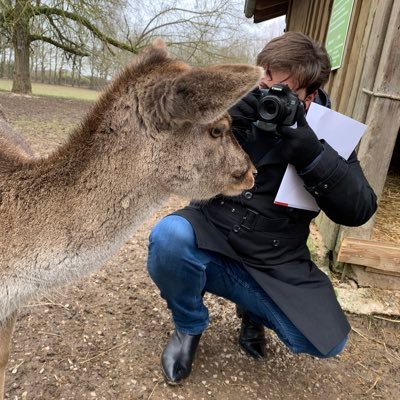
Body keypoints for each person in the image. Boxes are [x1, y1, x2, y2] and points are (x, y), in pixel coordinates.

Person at [146, 31, 377, 385]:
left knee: (327, 341)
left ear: (309, 96)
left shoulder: (330, 131)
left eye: (279, 89)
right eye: (261, 79)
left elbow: (359, 209)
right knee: (169, 238)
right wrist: (226, 116)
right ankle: (188, 325)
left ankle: (252, 310)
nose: (264, 93)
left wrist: (311, 153)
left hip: (275, 256)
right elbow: (167, 143)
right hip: (214, 229)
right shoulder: (235, 108)